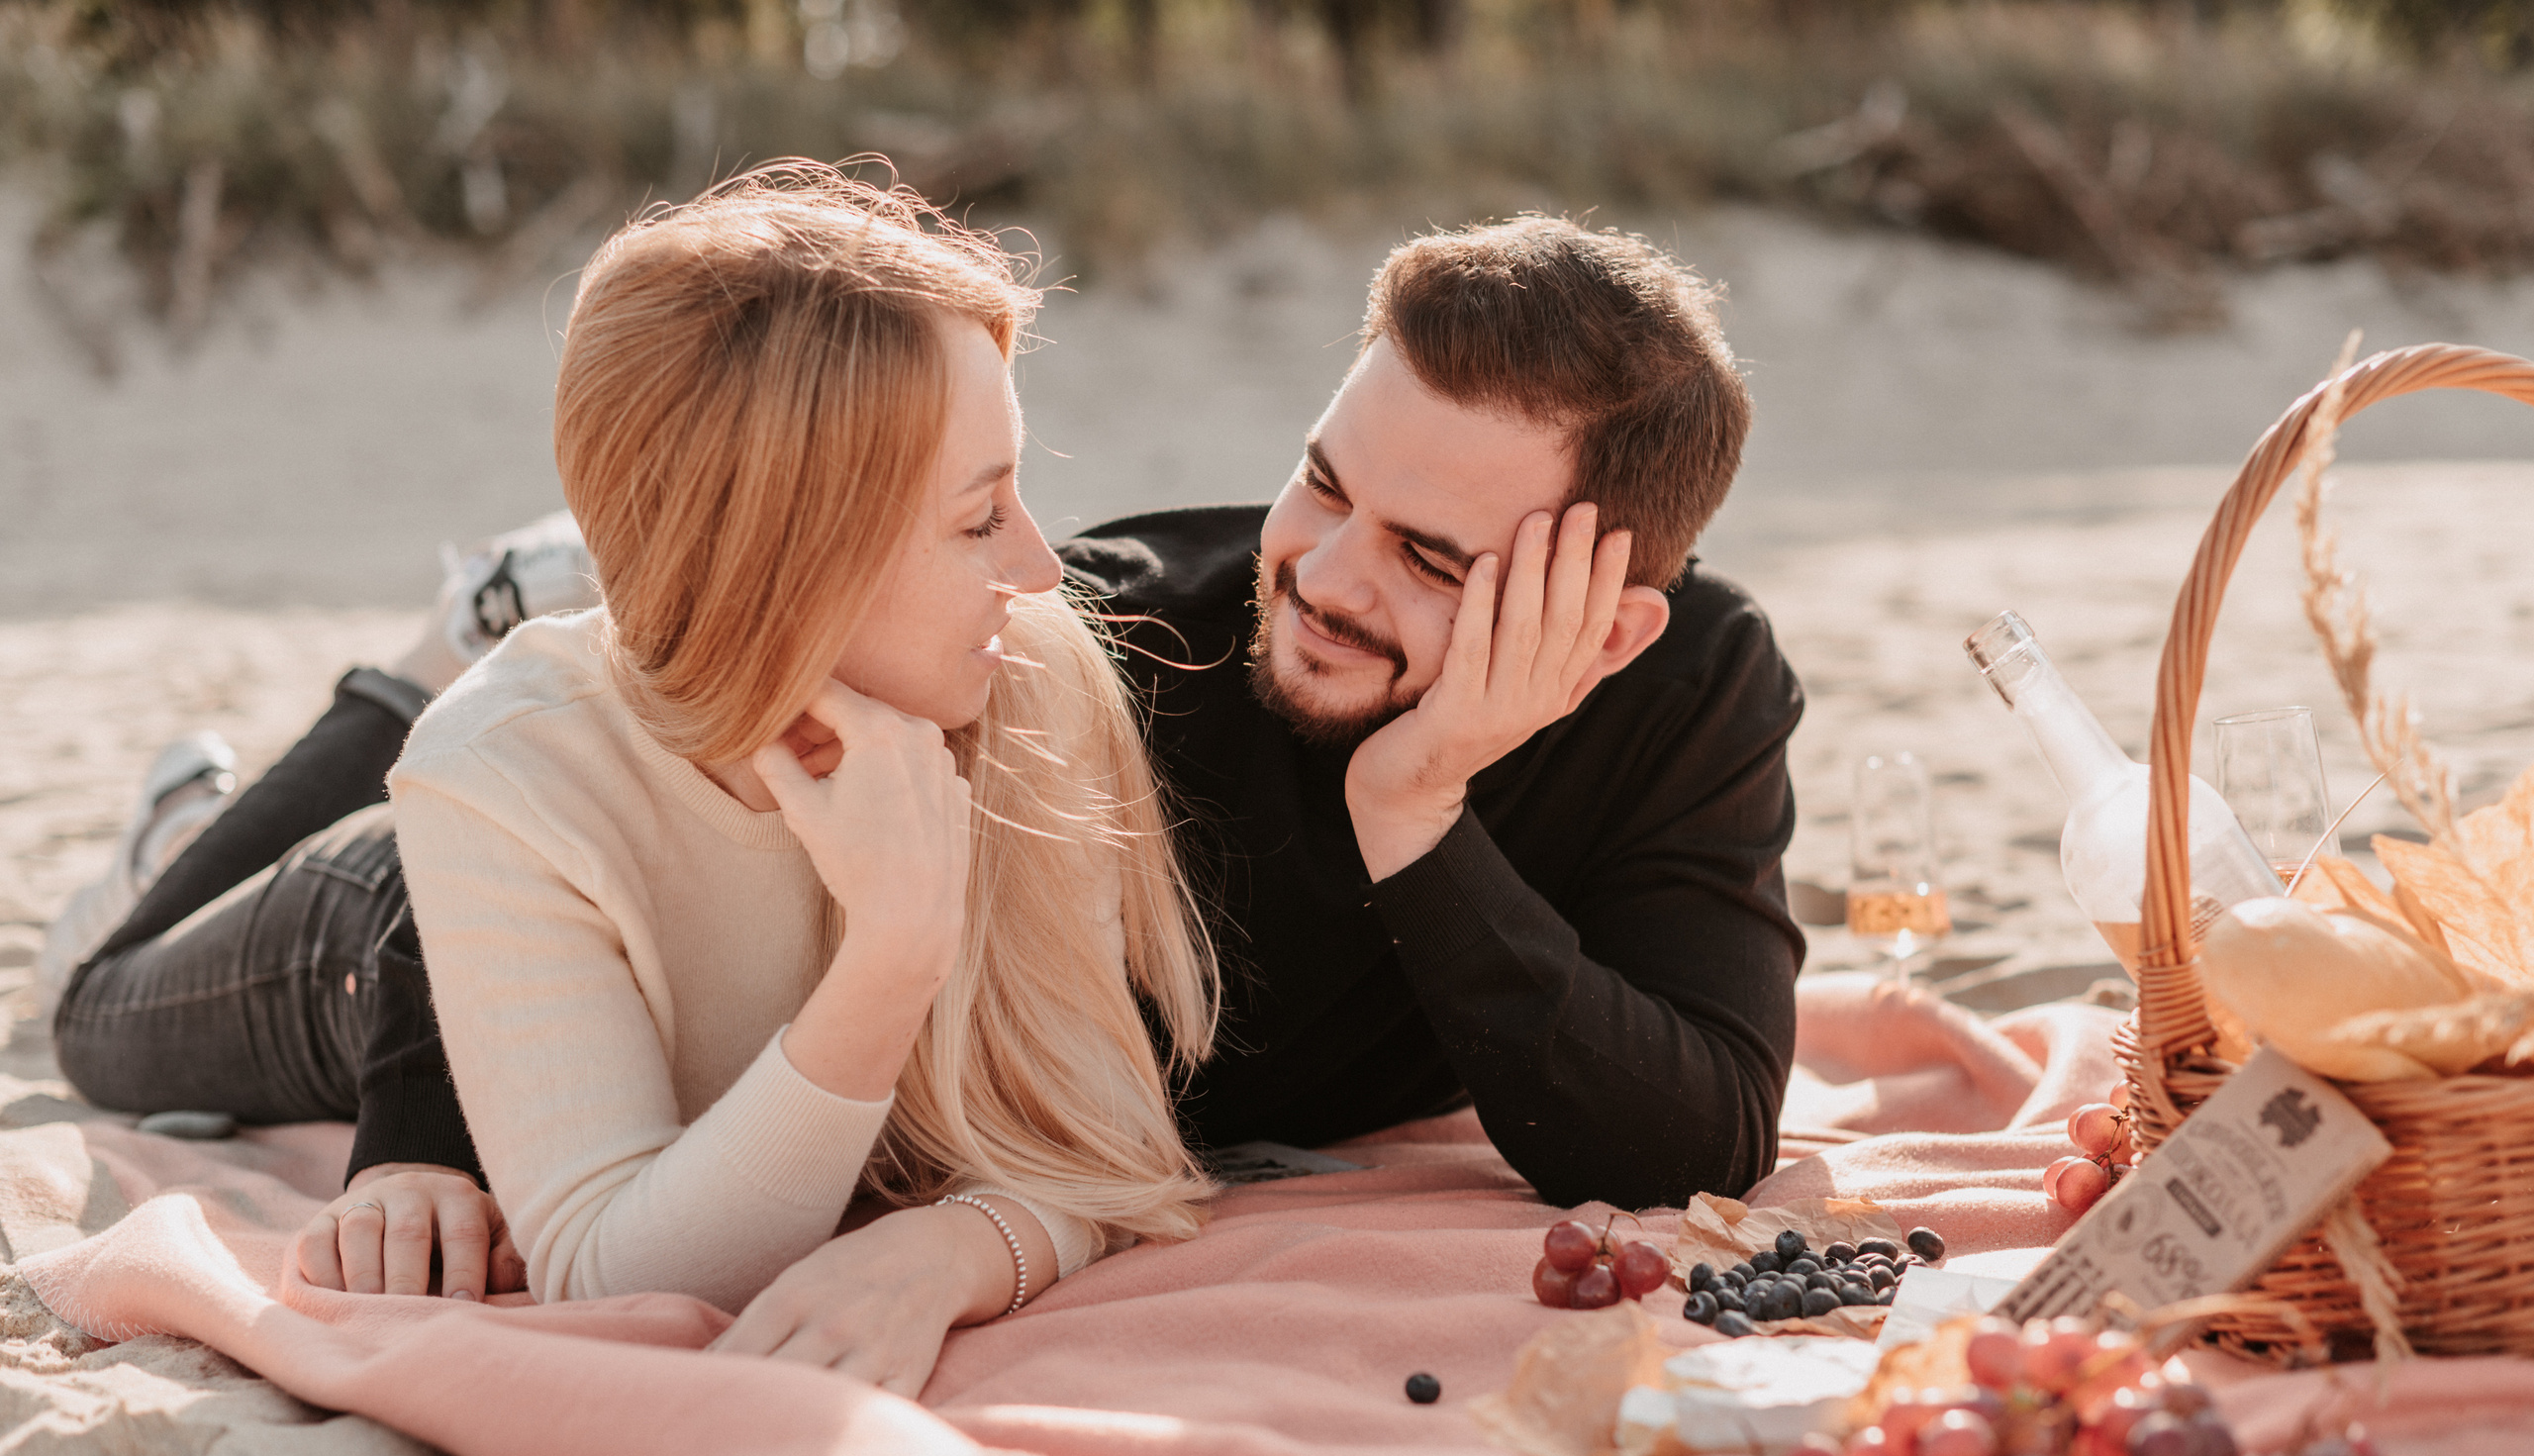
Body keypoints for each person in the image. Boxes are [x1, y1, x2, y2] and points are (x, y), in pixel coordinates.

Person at [59, 205, 1803, 1320]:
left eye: (1433, 559)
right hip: (440, 917)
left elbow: (1688, 1127)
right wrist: (423, 1128)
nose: (1327, 577)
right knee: (103, 1010)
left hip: (725, 946)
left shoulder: (1694, 698)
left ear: (1611, 622)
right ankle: (417, 663)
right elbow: (548, 810)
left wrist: (1414, 808)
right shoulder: (1124, 645)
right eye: (1326, 483)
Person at [45, 165, 1220, 1395]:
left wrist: (947, 1255)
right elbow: (616, 1272)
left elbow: (1099, 1156)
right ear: (790, 557)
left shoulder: (1027, 681)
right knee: (97, 1017)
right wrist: (891, 960)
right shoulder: (505, 778)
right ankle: (370, 699)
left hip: (594, 775)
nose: (1040, 568)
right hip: (381, 926)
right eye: (980, 519)